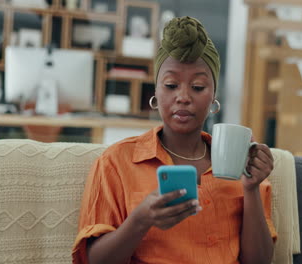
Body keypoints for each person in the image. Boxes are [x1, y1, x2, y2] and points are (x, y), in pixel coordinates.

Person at [72, 16, 277, 264]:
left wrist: (251, 188)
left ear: (213, 97)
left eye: (198, 87)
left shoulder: (241, 166)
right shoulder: (116, 162)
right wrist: (141, 219)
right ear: (155, 93)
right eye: (171, 85)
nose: (183, 97)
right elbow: (95, 261)